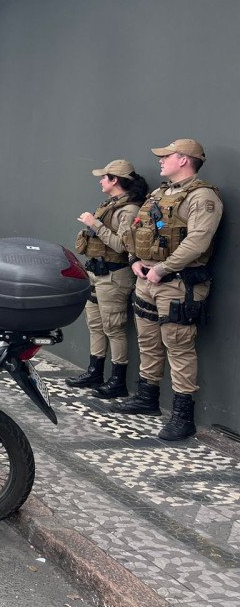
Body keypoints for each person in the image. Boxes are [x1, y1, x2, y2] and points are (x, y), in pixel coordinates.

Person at [111, 139, 222, 441]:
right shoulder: (159, 193)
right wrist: (135, 260)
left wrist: (161, 269)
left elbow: (198, 240)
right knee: (148, 340)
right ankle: (147, 397)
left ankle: (182, 416)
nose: (160, 160)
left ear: (184, 160)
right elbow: (137, 229)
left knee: (178, 346)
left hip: (178, 283)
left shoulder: (202, 197)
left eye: (166, 156)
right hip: (146, 278)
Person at [67, 160, 148, 398]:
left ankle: (117, 380)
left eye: (104, 177)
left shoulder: (130, 209)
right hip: (96, 271)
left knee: (114, 328)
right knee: (95, 324)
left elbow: (122, 246)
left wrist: (96, 224)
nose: (100, 180)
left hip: (114, 275)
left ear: (115, 180)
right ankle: (95, 372)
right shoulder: (111, 204)